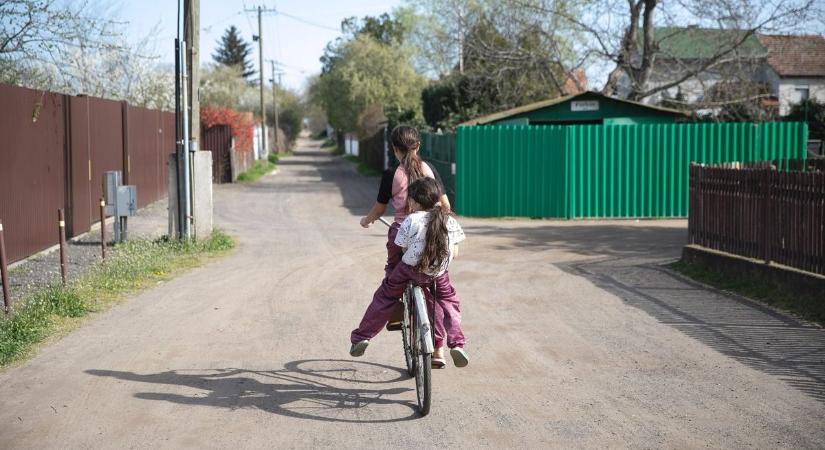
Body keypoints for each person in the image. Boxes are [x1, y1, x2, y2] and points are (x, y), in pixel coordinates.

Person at [358, 125, 457, 366]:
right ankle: (439, 351)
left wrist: (367, 220)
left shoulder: (392, 173)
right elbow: (444, 205)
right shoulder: (429, 169)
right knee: (434, 289)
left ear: (394, 149)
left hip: (402, 231)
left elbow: (380, 208)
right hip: (434, 234)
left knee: (393, 278)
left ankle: (391, 315)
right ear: (418, 146)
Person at [351, 177, 468, 368]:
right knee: (449, 304)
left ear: (413, 202)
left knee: (385, 296)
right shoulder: (449, 221)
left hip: (409, 271)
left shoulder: (410, 220)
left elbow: (401, 248)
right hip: (438, 274)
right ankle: (456, 344)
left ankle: (362, 337)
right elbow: (454, 253)